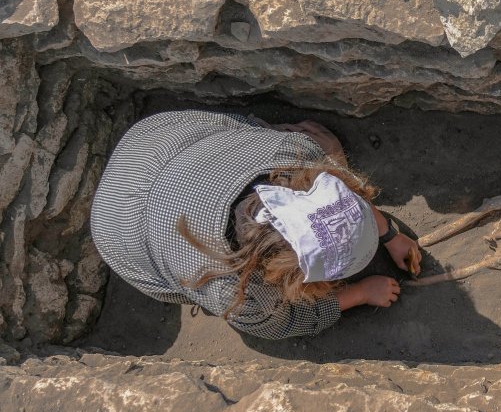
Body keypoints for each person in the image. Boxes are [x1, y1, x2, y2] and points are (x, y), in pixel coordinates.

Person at [90, 110, 422, 340]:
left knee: (324, 149)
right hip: (119, 229)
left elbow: (341, 190)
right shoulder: (241, 299)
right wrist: (360, 293)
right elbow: (286, 321)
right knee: (329, 149)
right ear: (293, 281)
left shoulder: (293, 152)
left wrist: (389, 234)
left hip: (157, 143)